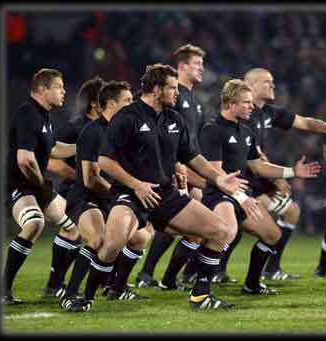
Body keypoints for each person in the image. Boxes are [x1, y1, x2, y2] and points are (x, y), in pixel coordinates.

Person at [76, 64, 252, 311]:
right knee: (113, 244)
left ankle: (201, 296)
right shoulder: (127, 116)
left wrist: (218, 178)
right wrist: (136, 186)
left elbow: (192, 157)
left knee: (220, 232)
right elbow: (105, 160)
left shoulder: (174, 118)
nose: (176, 93)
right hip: (130, 194)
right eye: (172, 88)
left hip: (165, 194)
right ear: (157, 90)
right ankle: (86, 298)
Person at [207, 67, 326, 283]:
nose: (273, 85)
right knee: (231, 230)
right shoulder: (236, 118)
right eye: (268, 82)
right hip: (239, 184)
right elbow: (255, 158)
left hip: (254, 182)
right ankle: (205, 275)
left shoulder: (267, 113)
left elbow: (305, 123)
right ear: (252, 86)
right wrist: (277, 178)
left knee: (287, 215)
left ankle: (263, 271)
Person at [136, 44, 208, 288]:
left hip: (189, 166)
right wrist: (178, 166)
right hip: (172, 170)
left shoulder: (194, 101)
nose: (201, 69)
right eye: (196, 64)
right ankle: (151, 273)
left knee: (185, 221)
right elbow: (165, 135)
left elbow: (191, 140)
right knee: (181, 217)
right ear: (182, 67)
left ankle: (173, 274)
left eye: (201, 64)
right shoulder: (173, 99)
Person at [3, 68, 76, 304]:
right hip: (19, 186)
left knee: (77, 225)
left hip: (37, 187)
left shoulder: (43, 115)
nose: (63, 91)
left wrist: (83, 145)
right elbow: (24, 160)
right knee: (35, 223)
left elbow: (53, 149)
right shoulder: (28, 114)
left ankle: (54, 287)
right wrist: (41, 185)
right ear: (43, 90)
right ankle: (3, 291)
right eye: (58, 86)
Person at [59, 81, 133, 311]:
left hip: (111, 198)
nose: (132, 105)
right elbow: (90, 179)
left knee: (131, 239)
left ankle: (111, 287)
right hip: (85, 198)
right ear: (111, 103)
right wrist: (117, 192)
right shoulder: (93, 131)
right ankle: (69, 295)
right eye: (128, 101)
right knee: (96, 240)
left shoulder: (124, 131)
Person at [43, 76, 105, 298]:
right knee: (74, 230)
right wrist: (77, 175)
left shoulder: (104, 127)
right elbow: (50, 160)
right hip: (74, 190)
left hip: (97, 189)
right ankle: (55, 284)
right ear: (95, 103)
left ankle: (103, 281)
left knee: (96, 234)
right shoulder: (76, 127)